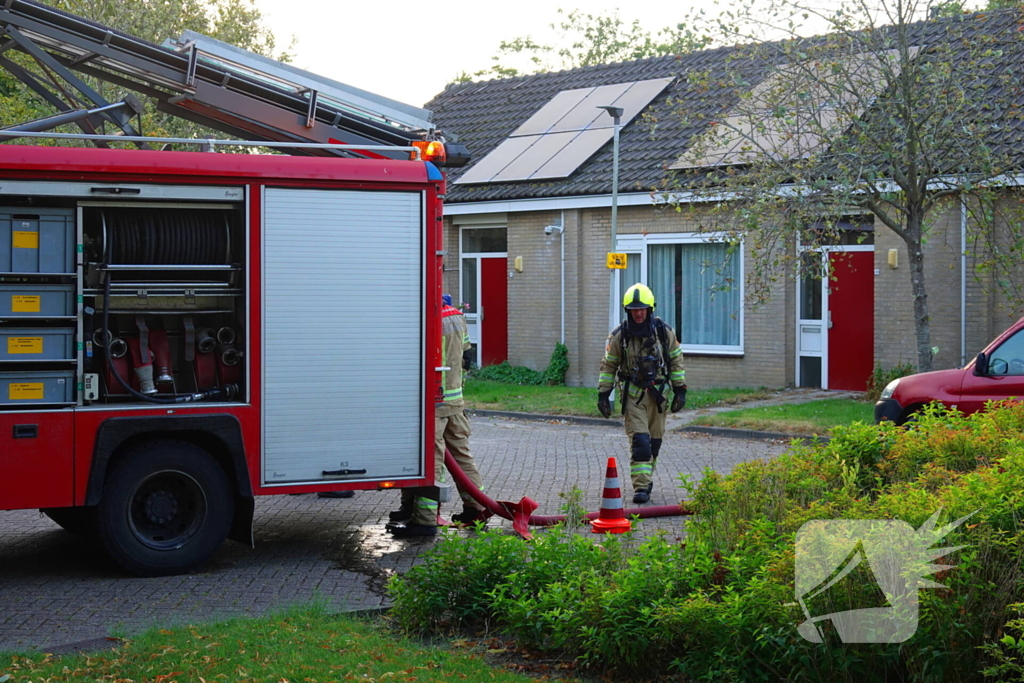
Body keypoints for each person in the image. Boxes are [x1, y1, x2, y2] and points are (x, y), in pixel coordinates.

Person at [387, 294, 490, 537]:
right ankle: (477, 509)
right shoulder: (455, 316)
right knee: (462, 456)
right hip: (454, 400)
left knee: (428, 460)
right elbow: (467, 354)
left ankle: (423, 520)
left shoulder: (424, 318)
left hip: (432, 403)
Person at [597, 283, 687, 504]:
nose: (638, 313)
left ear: (649, 309)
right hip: (633, 396)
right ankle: (641, 488)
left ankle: (645, 479)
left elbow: (676, 359)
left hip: (658, 395)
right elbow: (609, 366)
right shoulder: (620, 336)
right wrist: (603, 394)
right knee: (641, 442)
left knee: (654, 442)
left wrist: (680, 390)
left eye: (642, 309)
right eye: (634, 309)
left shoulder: (663, 332)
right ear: (627, 310)